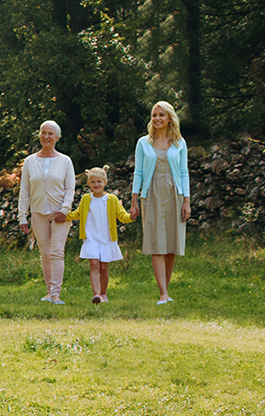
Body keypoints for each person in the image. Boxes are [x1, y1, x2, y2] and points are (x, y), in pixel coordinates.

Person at [129, 101, 190, 305]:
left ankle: (166, 289)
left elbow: (184, 172)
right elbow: (138, 172)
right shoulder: (143, 143)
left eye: (161, 115)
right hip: (151, 193)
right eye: (154, 115)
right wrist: (134, 199)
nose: (157, 119)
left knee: (172, 243)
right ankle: (162, 293)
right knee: (157, 242)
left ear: (170, 118)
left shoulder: (179, 143)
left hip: (175, 193)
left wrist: (187, 201)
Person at [18, 120, 75, 305]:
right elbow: (24, 191)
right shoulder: (30, 161)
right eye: (43, 133)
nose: (46, 137)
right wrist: (22, 216)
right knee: (45, 253)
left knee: (57, 252)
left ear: (57, 137)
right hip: (38, 213)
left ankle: (56, 294)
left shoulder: (65, 161)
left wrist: (64, 210)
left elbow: (70, 189)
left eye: (50, 133)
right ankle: (49, 292)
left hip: (60, 214)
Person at [67, 167, 132, 304]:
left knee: (103, 267)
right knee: (94, 264)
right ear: (89, 183)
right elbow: (78, 214)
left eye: (99, 182)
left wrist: (130, 217)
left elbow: (122, 215)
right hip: (91, 238)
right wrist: (65, 216)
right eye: (93, 182)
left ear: (105, 182)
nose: (96, 185)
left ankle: (103, 293)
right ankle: (96, 294)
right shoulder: (86, 199)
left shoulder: (112, 199)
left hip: (107, 238)